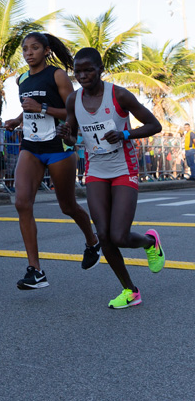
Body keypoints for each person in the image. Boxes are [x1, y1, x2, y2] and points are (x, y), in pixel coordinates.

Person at [60, 47, 165, 308]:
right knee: (104, 236)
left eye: (88, 70)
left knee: (119, 236)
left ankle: (150, 242)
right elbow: (73, 137)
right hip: (95, 169)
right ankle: (130, 291)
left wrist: (125, 134)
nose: (82, 76)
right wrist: (67, 136)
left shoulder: (118, 95)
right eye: (77, 72)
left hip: (123, 168)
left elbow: (155, 125)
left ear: (100, 70)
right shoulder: (73, 100)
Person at [4, 32, 101, 290]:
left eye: (35, 48)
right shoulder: (21, 79)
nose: (29, 53)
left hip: (58, 146)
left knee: (67, 206)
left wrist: (42, 109)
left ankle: (93, 241)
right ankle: (35, 270)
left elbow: (74, 112)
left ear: (46, 50)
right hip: (31, 146)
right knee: (22, 203)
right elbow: (29, 107)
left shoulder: (57, 75)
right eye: (25, 49)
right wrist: (18, 120)